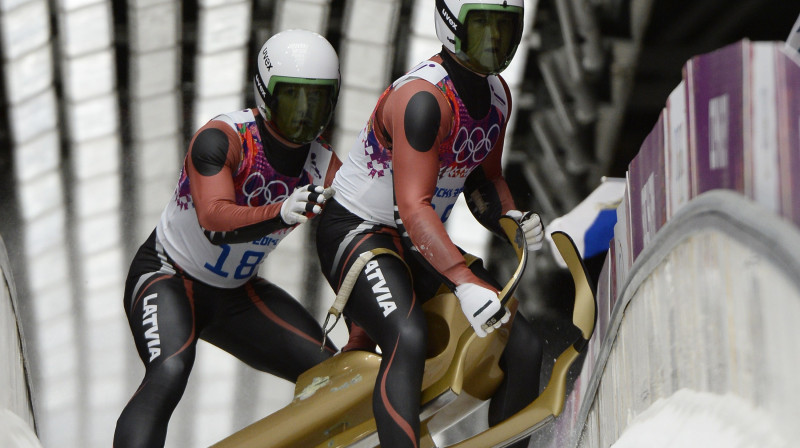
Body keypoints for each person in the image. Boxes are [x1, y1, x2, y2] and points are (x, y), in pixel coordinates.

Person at [315, 1, 544, 447]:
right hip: (358, 230)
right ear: (451, 24)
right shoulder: (423, 100)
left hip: (414, 238)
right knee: (408, 334)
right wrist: (461, 279)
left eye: (504, 28)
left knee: (524, 344)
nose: (494, 42)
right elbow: (414, 206)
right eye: (482, 27)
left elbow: (484, 180)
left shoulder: (499, 97)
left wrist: (511, 220)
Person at [114, 29, 342, 447]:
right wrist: (279, 210)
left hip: (235, 295)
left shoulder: (326, 165)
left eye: (318, 100)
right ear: (264, 93)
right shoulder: (222, 139)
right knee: (170, 369)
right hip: (166, 276)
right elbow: (216, 222)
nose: (305, 114)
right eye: (293, 98)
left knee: (335, 374)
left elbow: (363, 227)